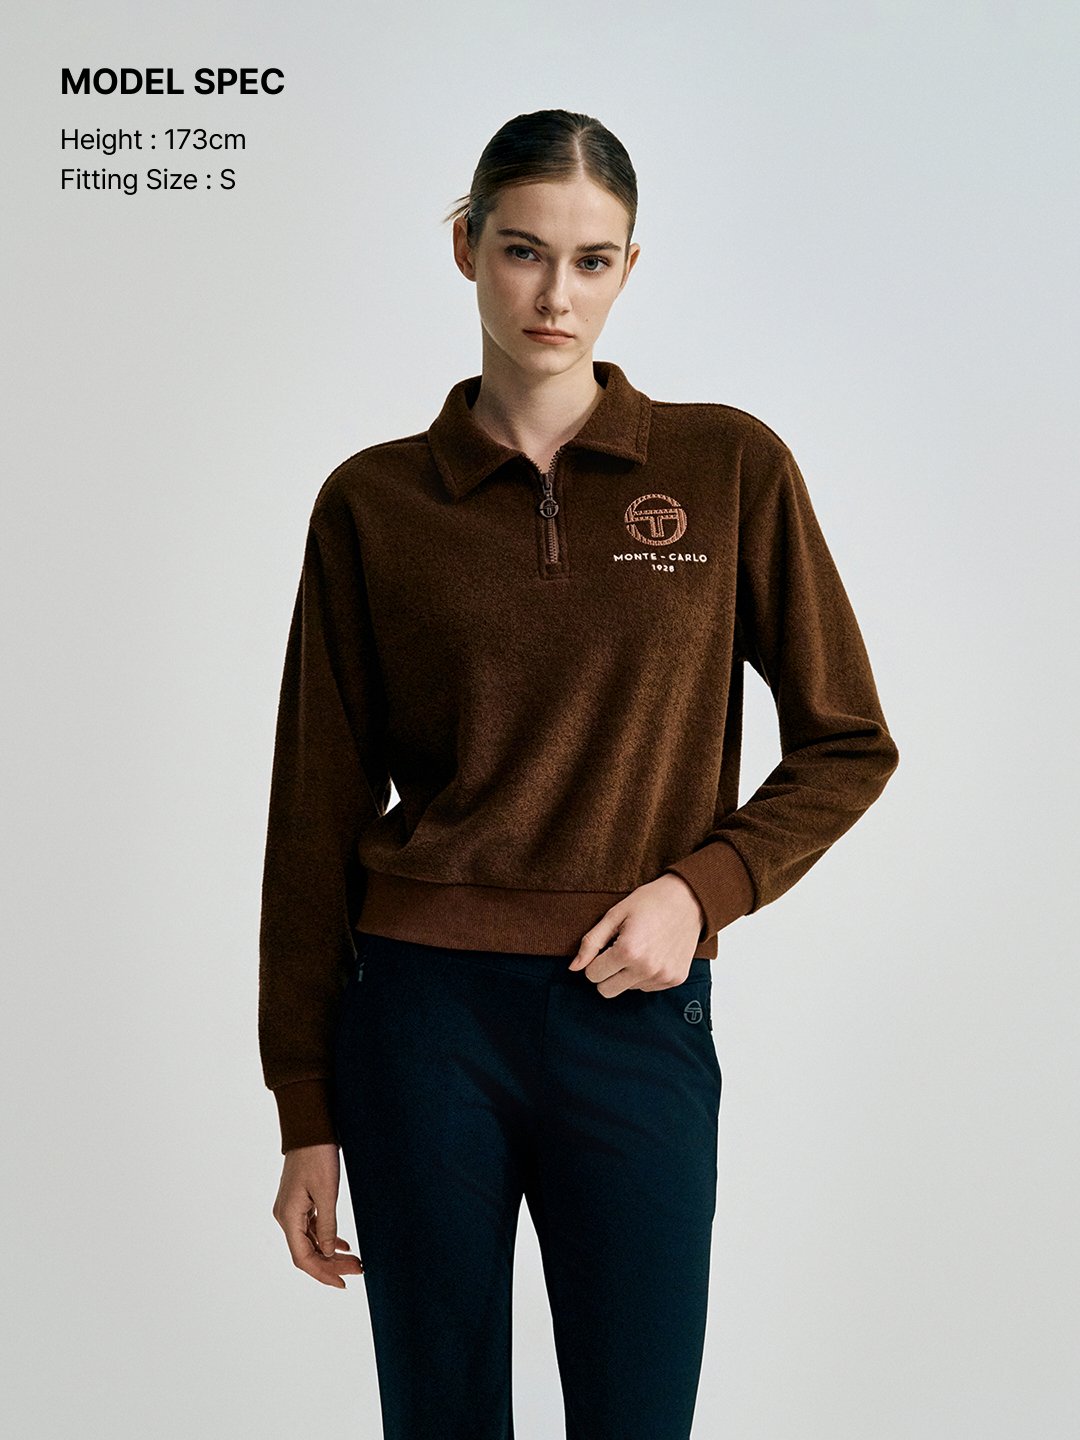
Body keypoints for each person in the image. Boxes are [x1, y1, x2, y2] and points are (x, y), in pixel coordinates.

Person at [258, 108, 899, 1440]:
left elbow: (848, 738)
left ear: (629, 267)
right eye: (523, 251)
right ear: (465, 247)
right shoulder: (373, 504)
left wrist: (701, 891)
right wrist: (304, 1108)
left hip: (633, 1017)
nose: (556, 294)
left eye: (592, 260)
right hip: (420, 1024)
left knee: (638, 1415)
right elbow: (313, 816)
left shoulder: (728, 467)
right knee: (440, 1419)